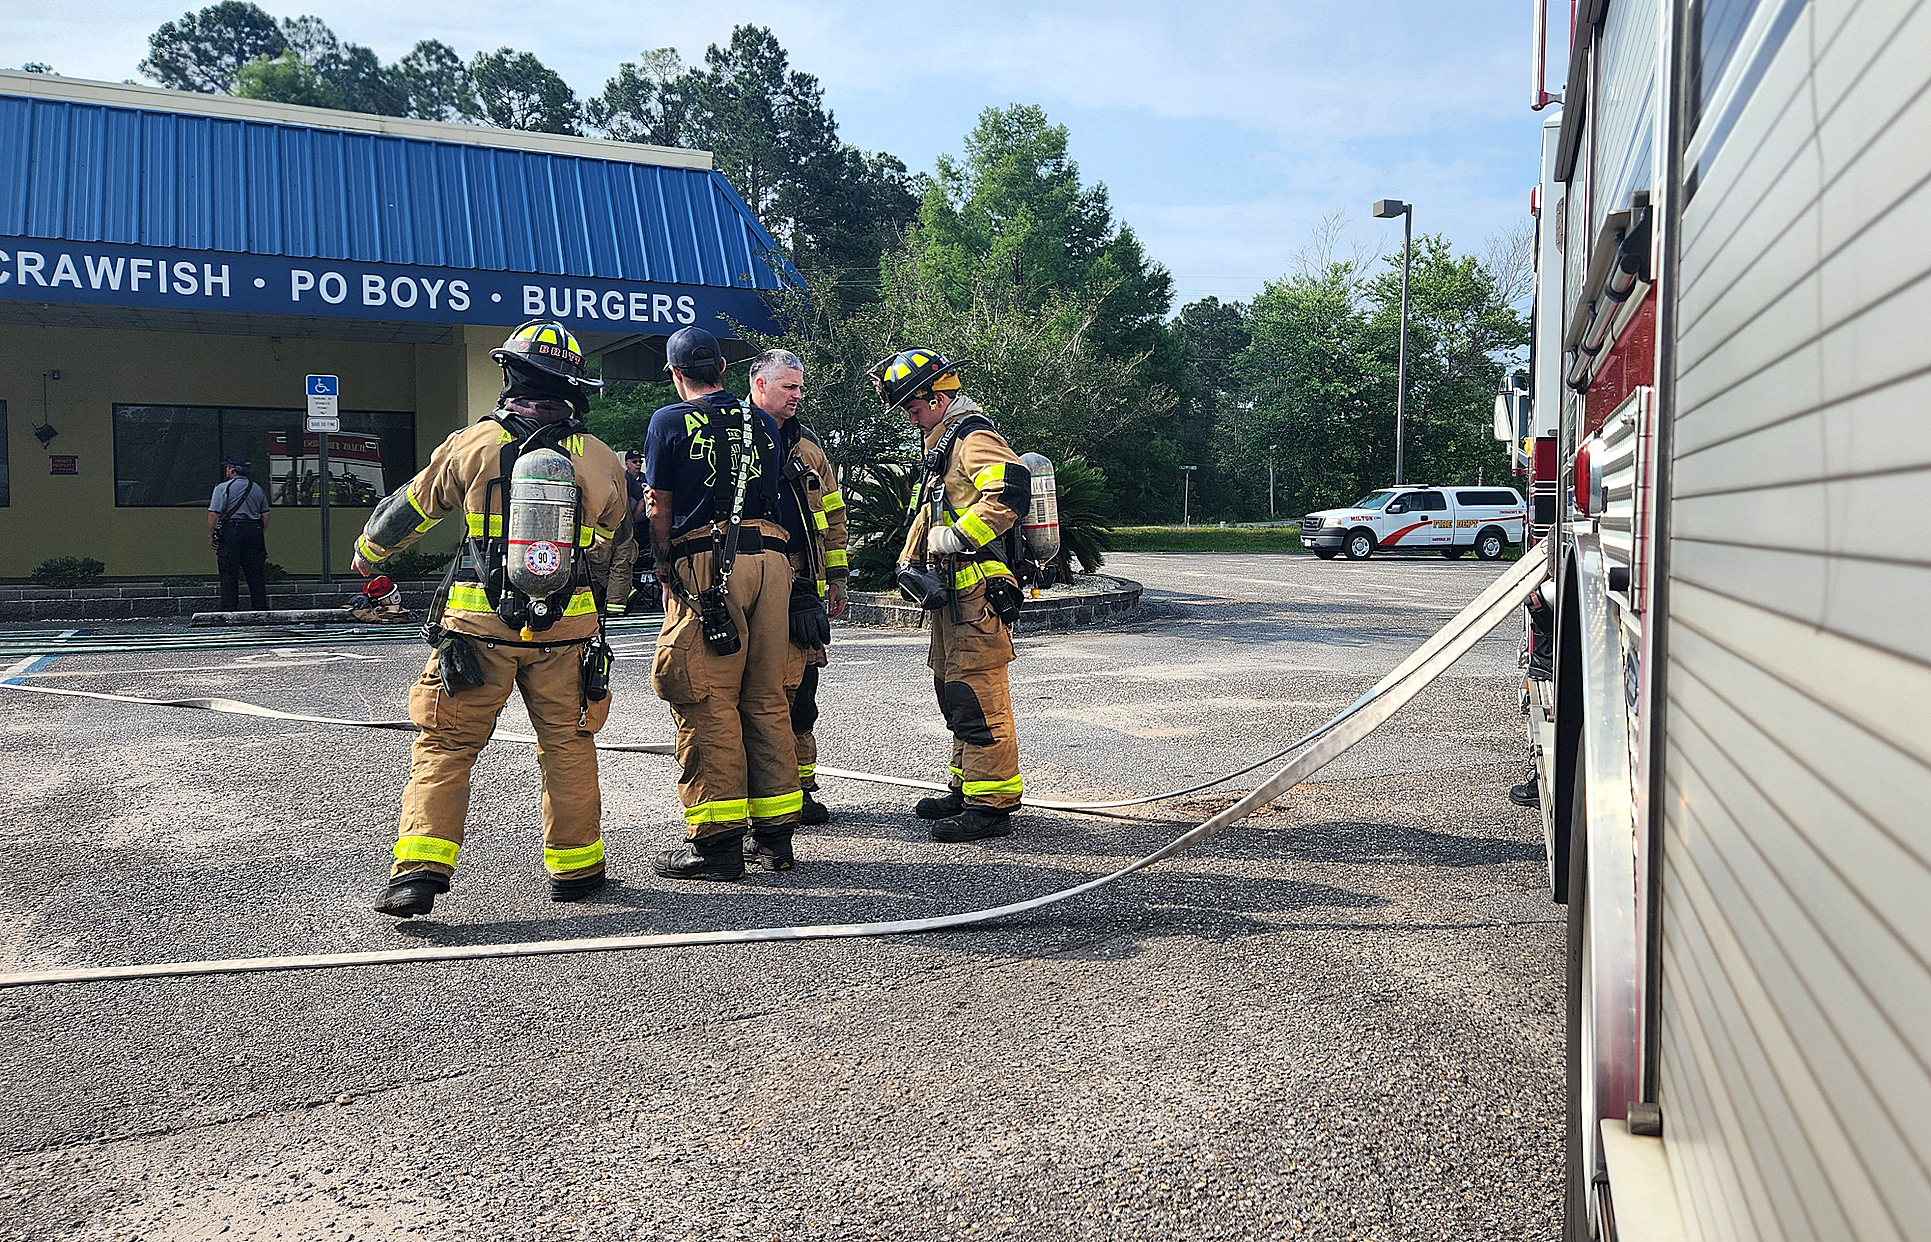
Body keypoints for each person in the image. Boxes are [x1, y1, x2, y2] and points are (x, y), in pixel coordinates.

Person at [350, 320, 629, 918]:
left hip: (477, 633)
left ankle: (418, 872)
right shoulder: (602, 460)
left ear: (510, 375)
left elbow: (412, 507)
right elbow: (611, 537)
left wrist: (370, 552)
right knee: (569, 745)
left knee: (447, 744)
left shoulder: (472, 444)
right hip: (567, 633)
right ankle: (577, 869)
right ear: (572, 386)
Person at [644, 327, 801, 879]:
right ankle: (776, 838)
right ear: (725, 371)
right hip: (772, 564)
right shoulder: (763, 422)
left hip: (711, 565)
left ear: (675, 373)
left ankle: (718, 846)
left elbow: (659, 505)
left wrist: (664, 564)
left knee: (706, 696)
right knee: (766, 696)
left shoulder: (668, 421)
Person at [879, 349, 1030, 843]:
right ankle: (967, 788)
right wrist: (910, 561)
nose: (910, 418)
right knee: (955, 692)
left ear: (938, 398)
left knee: (978, 696)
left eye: (914, 408)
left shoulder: (972, 437)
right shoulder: (943, 445)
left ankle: (992, 804)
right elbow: (931, 511)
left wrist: (960, 536)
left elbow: (1010, 489)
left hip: (977, 595)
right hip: (953, 597)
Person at [748, 348, 849, 830]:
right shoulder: (736, 439)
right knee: (762, 689)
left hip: (803, 586)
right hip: (754, 582)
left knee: (803, 692)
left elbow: (833, 516)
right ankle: (767, 792)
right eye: (789, 387)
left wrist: (838, 578)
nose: (797, 396)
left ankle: (802, 788)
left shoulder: (809, 448)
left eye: (800, 387)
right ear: (760, 384)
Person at [207, 453, 270, 611]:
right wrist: (259, 531)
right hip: (253, 530)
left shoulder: (223, 488)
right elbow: (265, 513)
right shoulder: (256, 488)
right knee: (255, 572)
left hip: (232, 530)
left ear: (231, 470)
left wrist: (211, 535)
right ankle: (260, 607)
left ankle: (229, 608)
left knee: (229, 571)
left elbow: (213, 513)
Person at [605, 450, 648, 615]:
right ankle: (626, 592)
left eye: (640, 461)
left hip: (627, 528)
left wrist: (633, 519)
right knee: (600, 561)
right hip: (606, 528)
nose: (638, 464)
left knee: (622, 563)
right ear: (626, 463)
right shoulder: (615, 477)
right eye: (634, 461)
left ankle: (617, 602)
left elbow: (642, 499)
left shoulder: (632, 479)